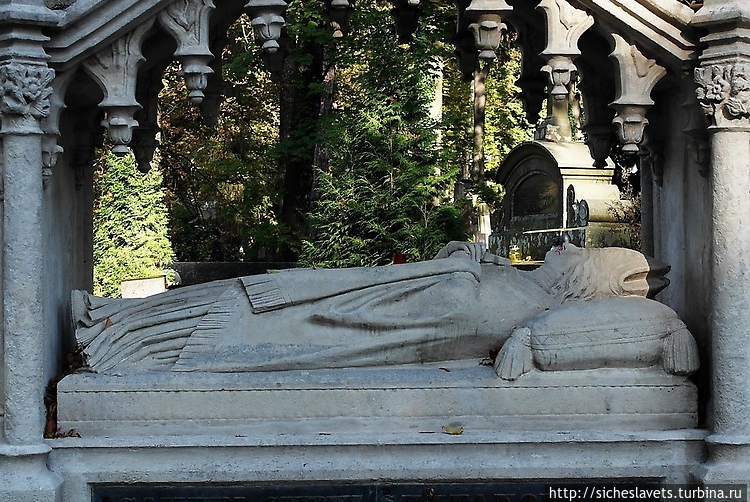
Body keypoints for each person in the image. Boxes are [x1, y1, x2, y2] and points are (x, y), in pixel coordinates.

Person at [73, 241, 674, 375]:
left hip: (336, 318)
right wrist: (462, 260)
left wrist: (460, 267)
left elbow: (440, 310)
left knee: (235, 310)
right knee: (241, 300)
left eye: (583, 252)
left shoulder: (524, 301)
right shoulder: (519, 288)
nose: (567, 245)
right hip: (342, 305)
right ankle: (111, 319)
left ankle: (116, 332)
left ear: (585, 279)